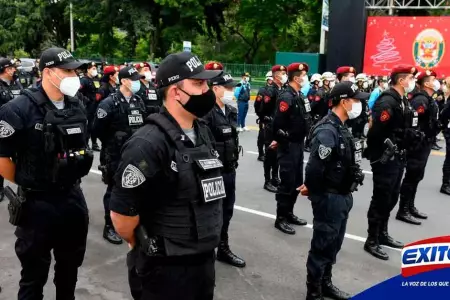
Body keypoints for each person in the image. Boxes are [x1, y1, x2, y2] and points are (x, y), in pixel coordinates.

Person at [109, 52, 223, 300]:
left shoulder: (201, 131)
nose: (207, 90)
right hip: (165, 269)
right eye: (198, 83)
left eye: (206, 83)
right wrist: (142, 242)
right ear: (175, 92)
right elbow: (121, 215)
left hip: (202, 260)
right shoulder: (147, 144)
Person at [0, 47, 92, 299]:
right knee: (33, 276)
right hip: (37, 204)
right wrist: (27, 181)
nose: (75, 75)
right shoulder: (17, 109)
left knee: (69, 270)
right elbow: (2, 159)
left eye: (76, 70)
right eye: (68, 70)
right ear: (49, 73)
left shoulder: (76, 104)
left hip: (72, 197)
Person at [301, 81, 366, 300]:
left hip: (342, 194)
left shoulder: (342, 126)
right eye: (356, 100)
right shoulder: (328, 130)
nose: (359, 105)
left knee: (334, 244)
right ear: (344, 102)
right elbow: (314, 167)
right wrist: (314, 192)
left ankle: (325, 282)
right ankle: (314, 290)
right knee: (323, 244)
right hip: (329, 197)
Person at [364, 65, 422, 260]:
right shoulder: (387, 101)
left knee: (392, 196)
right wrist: (383, 152)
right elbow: (376, 132)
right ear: (401, 80)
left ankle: (383, 233)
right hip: (385, 157)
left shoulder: (402, 100)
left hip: (398, 156)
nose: (412, 82)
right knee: (381, 197)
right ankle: (372, 239)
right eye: (410, 78)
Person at [93, 65, 147, 245]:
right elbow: (98, 129)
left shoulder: (139, 101)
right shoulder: (109, 103)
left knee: (137, 188)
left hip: (136, 154)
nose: (138, 83)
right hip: (115, 155)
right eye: (134, 80)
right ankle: (109, 226)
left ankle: (133, 221)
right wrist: (113, 142)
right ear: (124, 81)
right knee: (114, 191)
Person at [202, 69, 246, 268]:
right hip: (213, 173)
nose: (231, 91)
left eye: (232, 88)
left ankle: (223, 247)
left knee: (226, 211)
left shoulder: (231, 110)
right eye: (227, 88)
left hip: (229, 169)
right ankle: (205, 251)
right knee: (210, 213)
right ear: (216, 88)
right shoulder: (206, 112)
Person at [396, 70, 440, 225]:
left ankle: (410, 206)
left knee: (417, 176)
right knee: (411, 176)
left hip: (425, 142)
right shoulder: (420, 99)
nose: (437, 81)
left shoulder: (428, 98)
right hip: (418, 144)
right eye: (433, 79)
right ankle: (403, 210)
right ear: (427, 83)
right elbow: (414, 122)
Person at [272, 62, 312, 234]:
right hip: (288, 146)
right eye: (303, 76)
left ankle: (289, 213)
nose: (305, 78)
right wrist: (284, 141)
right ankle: (280, 218)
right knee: (287, 183)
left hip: (298, 144)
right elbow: (278, 125)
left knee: (296, 182)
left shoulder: (299, 95)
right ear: (296, 78)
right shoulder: (286, 96)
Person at [258, 65, 286, 193]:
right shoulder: (270, 90)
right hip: (270, 126)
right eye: (282, 73)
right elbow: (263, 108)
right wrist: (265, 119)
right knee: (270, 154)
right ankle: (267, 180)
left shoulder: (282, 89)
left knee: (277, 155)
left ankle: (275, 177)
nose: (284, 75)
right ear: (275, 76)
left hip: (279, 126)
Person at [0, 58, 20, 201]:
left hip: (19, 127)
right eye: (12, 67)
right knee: (2, 157)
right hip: (2, 128)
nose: (14, 70)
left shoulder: (16, 83)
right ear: (6, 69)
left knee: (21, 158)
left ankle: (23, 187)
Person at [79, 61, 101, 151]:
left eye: (95, 68)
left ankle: (94, 143)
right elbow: (78, 92)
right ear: (88, 70)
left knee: (95, 126)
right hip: (88, 107)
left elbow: (99, 89)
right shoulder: (84, 80)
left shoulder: (96, 79)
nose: (95, 70)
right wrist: (85, 100)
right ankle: (86, 144)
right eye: (93, 69)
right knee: (88, 126)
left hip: (96, 105)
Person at [255, 70, 273, 161]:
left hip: (273, 118)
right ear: (268, 80)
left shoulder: (276, 90)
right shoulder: (263, 90)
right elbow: (257, 104)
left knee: (271, 137)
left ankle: (268, 153)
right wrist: (261, 116)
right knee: (262, 136)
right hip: (264, 117)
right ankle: (261, 154)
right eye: (271, 79)